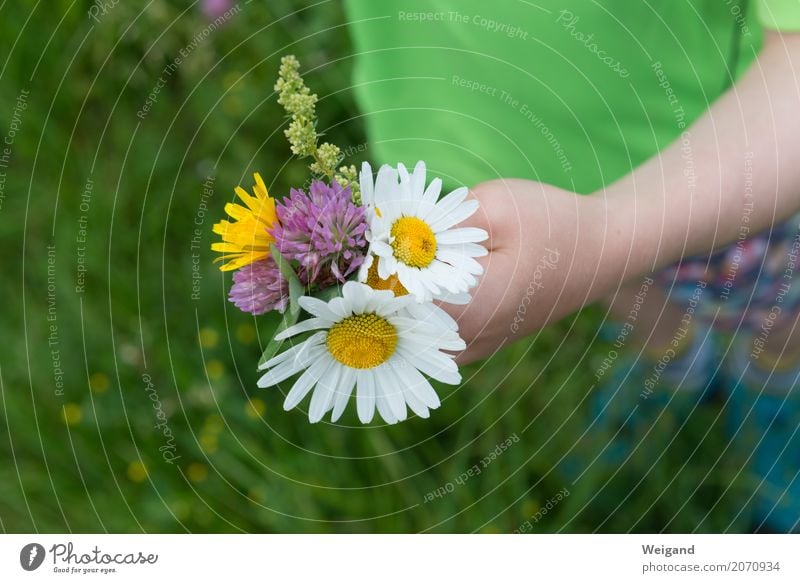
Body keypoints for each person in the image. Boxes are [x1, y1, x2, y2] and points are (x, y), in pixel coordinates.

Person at [344, 0, 800, 531]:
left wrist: (600, 236)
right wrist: (589, 258)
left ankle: (773, 388)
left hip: (718, 168)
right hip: (465, 152)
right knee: (624, 294)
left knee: (773, 307)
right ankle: (673, 362)